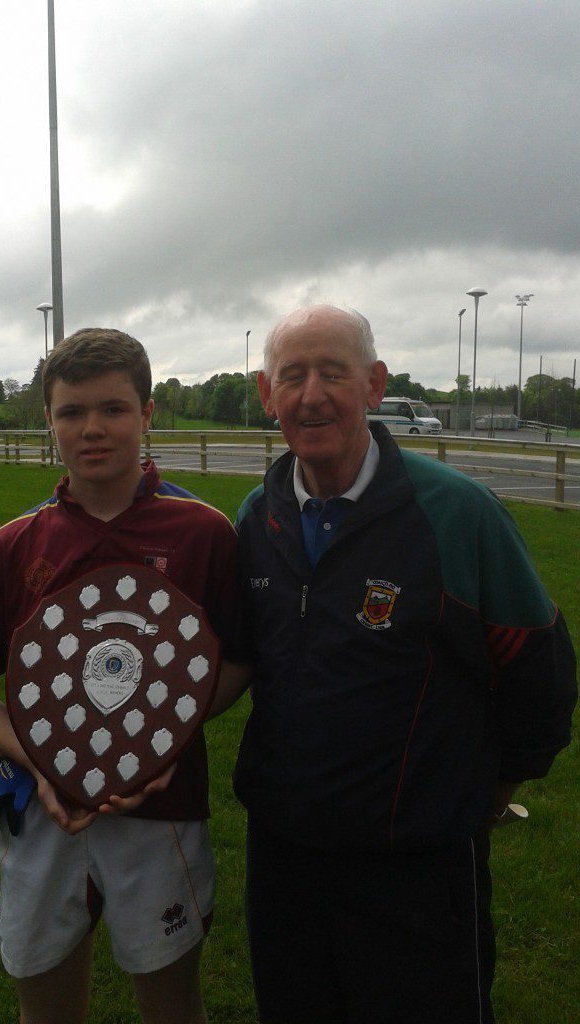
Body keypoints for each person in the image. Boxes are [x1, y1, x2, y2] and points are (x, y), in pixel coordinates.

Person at [226, 304, 577, 1024]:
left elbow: (538, 678)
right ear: (267, 395)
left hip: (417, 870)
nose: (312, 393)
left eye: (334, 372)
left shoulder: (457, 512)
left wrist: (478, 795)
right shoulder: (255, 516)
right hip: (285, 861)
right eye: (292, 376)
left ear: (375, 384)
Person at [0, 327, 241, 1024]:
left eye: (113, 409)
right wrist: (42, 761)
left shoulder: (204, 533)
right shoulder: (12, 546)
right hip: (43, 814)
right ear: (47, 419)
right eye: (71, 412)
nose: (91, 429)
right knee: (45, 1004)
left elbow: (238, 661)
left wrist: (159, 745)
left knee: (170, 1003)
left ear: (148, 413)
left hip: (161, 811)